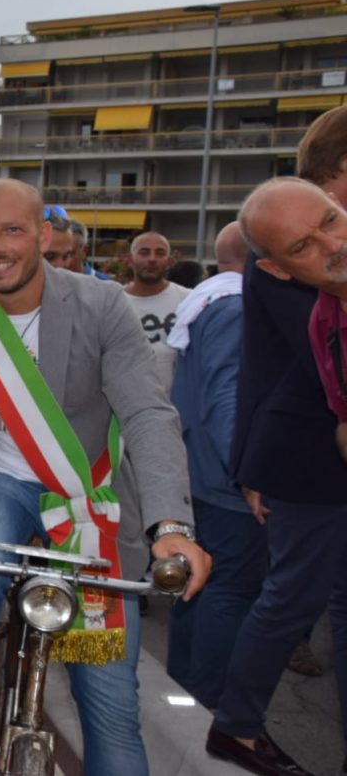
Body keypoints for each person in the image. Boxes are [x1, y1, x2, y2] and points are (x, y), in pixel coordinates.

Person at [0, 179, 208, 775]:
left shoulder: (100, 304)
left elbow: (146, 411)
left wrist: (172, 524)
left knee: (110, 708)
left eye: (13, 229)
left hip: (88, 498)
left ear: (43, 235)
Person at [205, 175, 347, 776]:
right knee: (291, 599)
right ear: (280, 268)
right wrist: (250, 464)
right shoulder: (288, 283)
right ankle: (236, 726)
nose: (331, 243)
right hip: (307, 458)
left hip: (302, 446)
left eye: (331, 219)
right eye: (304, 246)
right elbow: (260, 367)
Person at [164, 222, 256, 711]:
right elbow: (227, 397)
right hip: (226, 480)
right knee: (228, 589)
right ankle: (203, 704)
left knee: (197, 583)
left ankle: (184, 693)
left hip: (203, 470)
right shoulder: (238, 308)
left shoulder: (206, 301)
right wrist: (248, 474)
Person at [123, 231, 189, 396]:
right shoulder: (113, 302)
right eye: (144, 252)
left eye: (160, 253)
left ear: (169, 260)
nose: (152, 259)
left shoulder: (188, 300)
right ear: (130, 259)